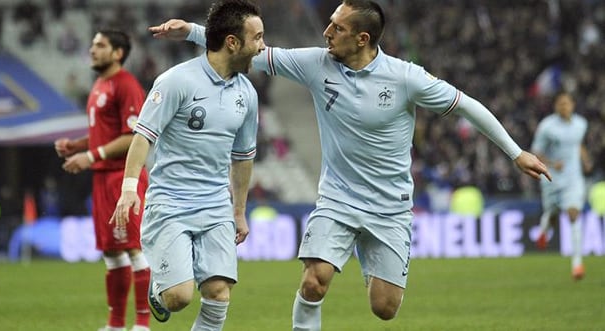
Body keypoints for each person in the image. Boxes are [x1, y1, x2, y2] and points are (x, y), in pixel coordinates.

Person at [150, 1, 551, 329]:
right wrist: (191, 32)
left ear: (362, 38)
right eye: (328, 24)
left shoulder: (405, 78)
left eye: (337, 28)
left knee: (385, 308)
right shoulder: (315, 64)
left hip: (390, 207)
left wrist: (516, 153)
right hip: (337, 201)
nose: (326, 33)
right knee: (314, 281)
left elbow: (467, 106)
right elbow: (246, 48)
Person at [111, 1, 264, 330]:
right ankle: (159, 288)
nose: (262, 47)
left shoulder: (247, 94)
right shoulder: (176, 81)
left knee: (219, 292)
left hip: (215, 204)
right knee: (178, 298)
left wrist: (238, 211)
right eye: (258, 38)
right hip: (170, 202)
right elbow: (143, 136)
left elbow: (243, 156)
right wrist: (128, 189)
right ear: (233, 43)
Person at [54, 29, 151, 331]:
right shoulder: (99, 85)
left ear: (118, 53)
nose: (92, 50)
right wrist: (78, 145)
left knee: (134, 248)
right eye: (93, 44)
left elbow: (134, 136)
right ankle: (116, 324)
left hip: (124, 178)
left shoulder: (127, 86)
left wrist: (91, 155)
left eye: (100, 45)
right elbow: (104, 131)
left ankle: (143, 324)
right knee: (111, 252)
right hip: (102, 178)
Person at [532, 91, 592, 280]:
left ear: (573, 105)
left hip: (574, 178)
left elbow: (577, 144)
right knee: (553, 215)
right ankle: (543, 232)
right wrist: (551, 163)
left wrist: (585, 159)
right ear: (555, 106)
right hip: (551, 178)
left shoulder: (581, 124)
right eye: (560, 104)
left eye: (567, 104)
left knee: (574, 214)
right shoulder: (547, 127)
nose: (563, 107)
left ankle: (577, 264)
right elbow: (536, 152)